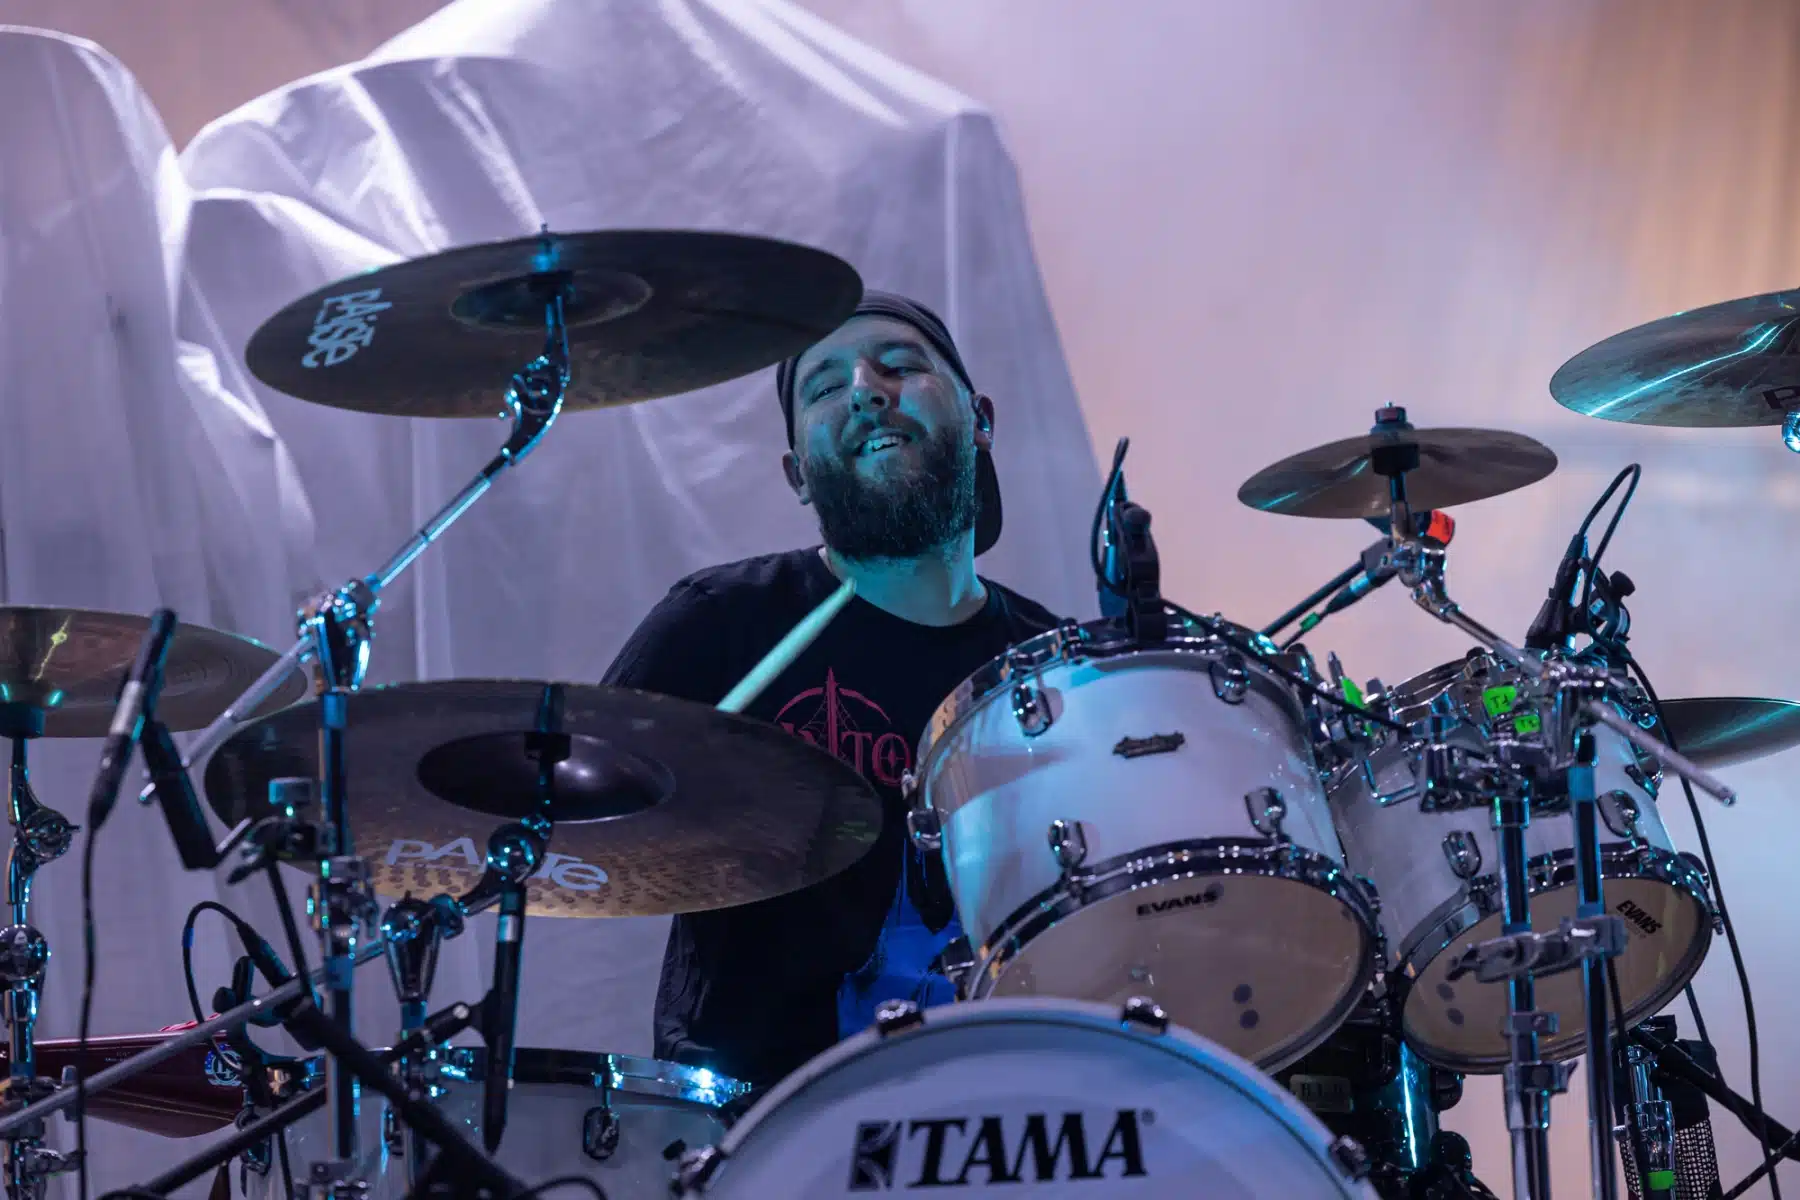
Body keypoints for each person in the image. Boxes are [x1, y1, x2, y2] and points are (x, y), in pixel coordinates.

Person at [602, 291, 1063, 1089]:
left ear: (981, 419)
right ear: (797, 476)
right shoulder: (720, 625)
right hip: (761, 1118)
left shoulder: (1050, 669)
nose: (864, 391)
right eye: (824, 386)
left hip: (1009, 1103)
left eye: (900, 366)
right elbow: (575, 813)